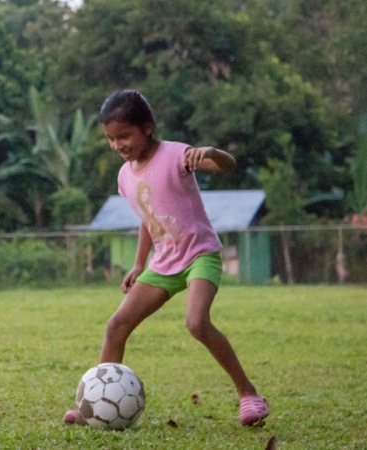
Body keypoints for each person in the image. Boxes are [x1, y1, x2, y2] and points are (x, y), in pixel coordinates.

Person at [62, 90, 269, 427]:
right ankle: (95, 407)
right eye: (111, 139)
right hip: (163, 263)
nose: (117, 145)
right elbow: (148, 218)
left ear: (147, 128)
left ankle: (248, 394)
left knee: (197, 323)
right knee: (117, 326)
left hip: (200, 254)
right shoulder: (125, 176)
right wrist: (139, 265)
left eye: (124, 136)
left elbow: (226, 165)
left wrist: (210, 153)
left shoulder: (175, 155)